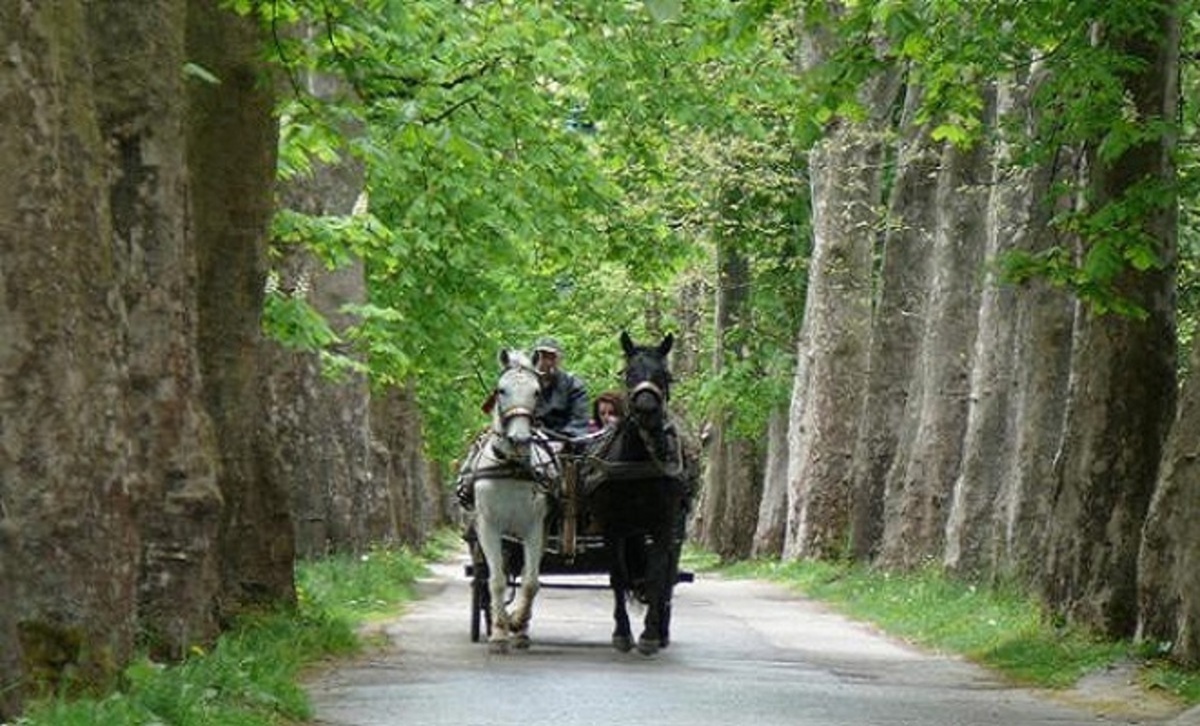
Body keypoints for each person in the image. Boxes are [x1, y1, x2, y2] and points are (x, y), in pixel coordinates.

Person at [530, 337, 590, 439]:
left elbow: (579, 420)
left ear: (559, 360)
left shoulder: (573, 384)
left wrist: (563, 439)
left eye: (552, 358)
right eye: (543, 357)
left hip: (564, 441)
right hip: (530, 439)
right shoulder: (524, 385)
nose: (548, 363)